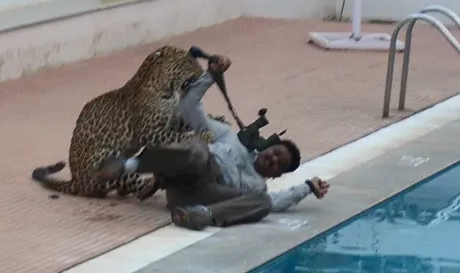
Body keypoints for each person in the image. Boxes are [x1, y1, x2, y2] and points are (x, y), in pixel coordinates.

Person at [99, 54, 330, 230]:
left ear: (277, 174)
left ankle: (202, 216)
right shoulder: (229, 137)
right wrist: (211, 75)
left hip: (198, 197)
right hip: (190, 171)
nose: (274, 158)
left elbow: (279, 201)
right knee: (198, 149)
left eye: (279, 162)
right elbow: (189, 108)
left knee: (264, 204)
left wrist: (307, 187)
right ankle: (128, 166)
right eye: (276, 151)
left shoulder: (257, 186)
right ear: (268, 147)